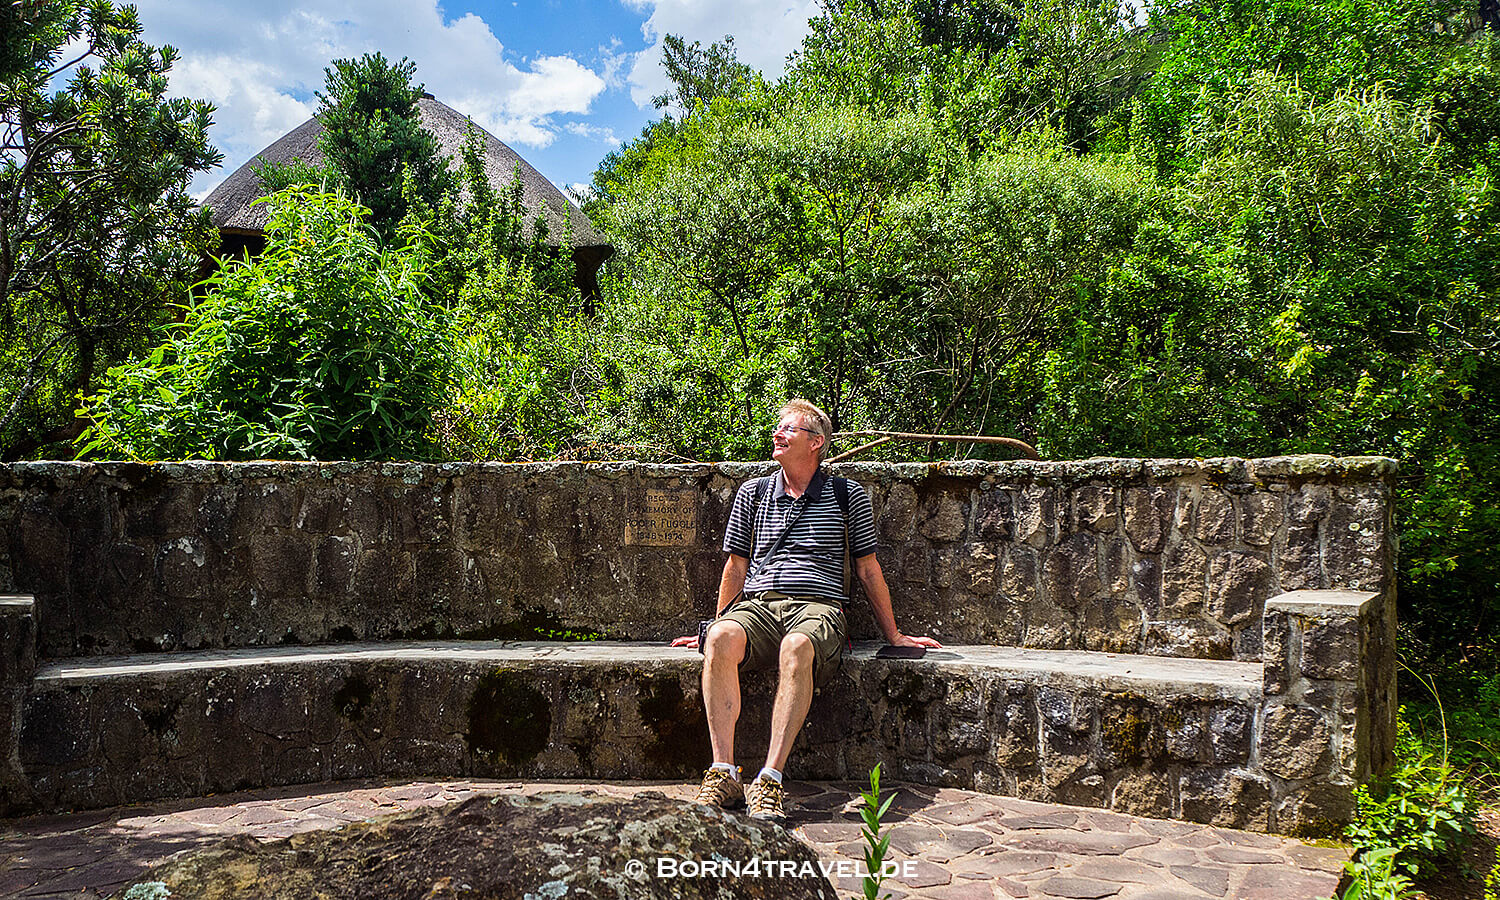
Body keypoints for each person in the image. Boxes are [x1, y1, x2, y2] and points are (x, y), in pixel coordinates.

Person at [672, 399, 941, 821]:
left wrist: (895, 636)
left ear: (815, 443)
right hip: (759, 607)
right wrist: (715, 624)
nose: (776, 435)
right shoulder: (753, 492)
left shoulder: (846, 494)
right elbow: (736, 567)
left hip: (819, 609)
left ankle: (769, 781)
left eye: (788, 430)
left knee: (797, 646)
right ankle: (723, 773)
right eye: (778, 428)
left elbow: (868, 569)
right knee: (721, 639)